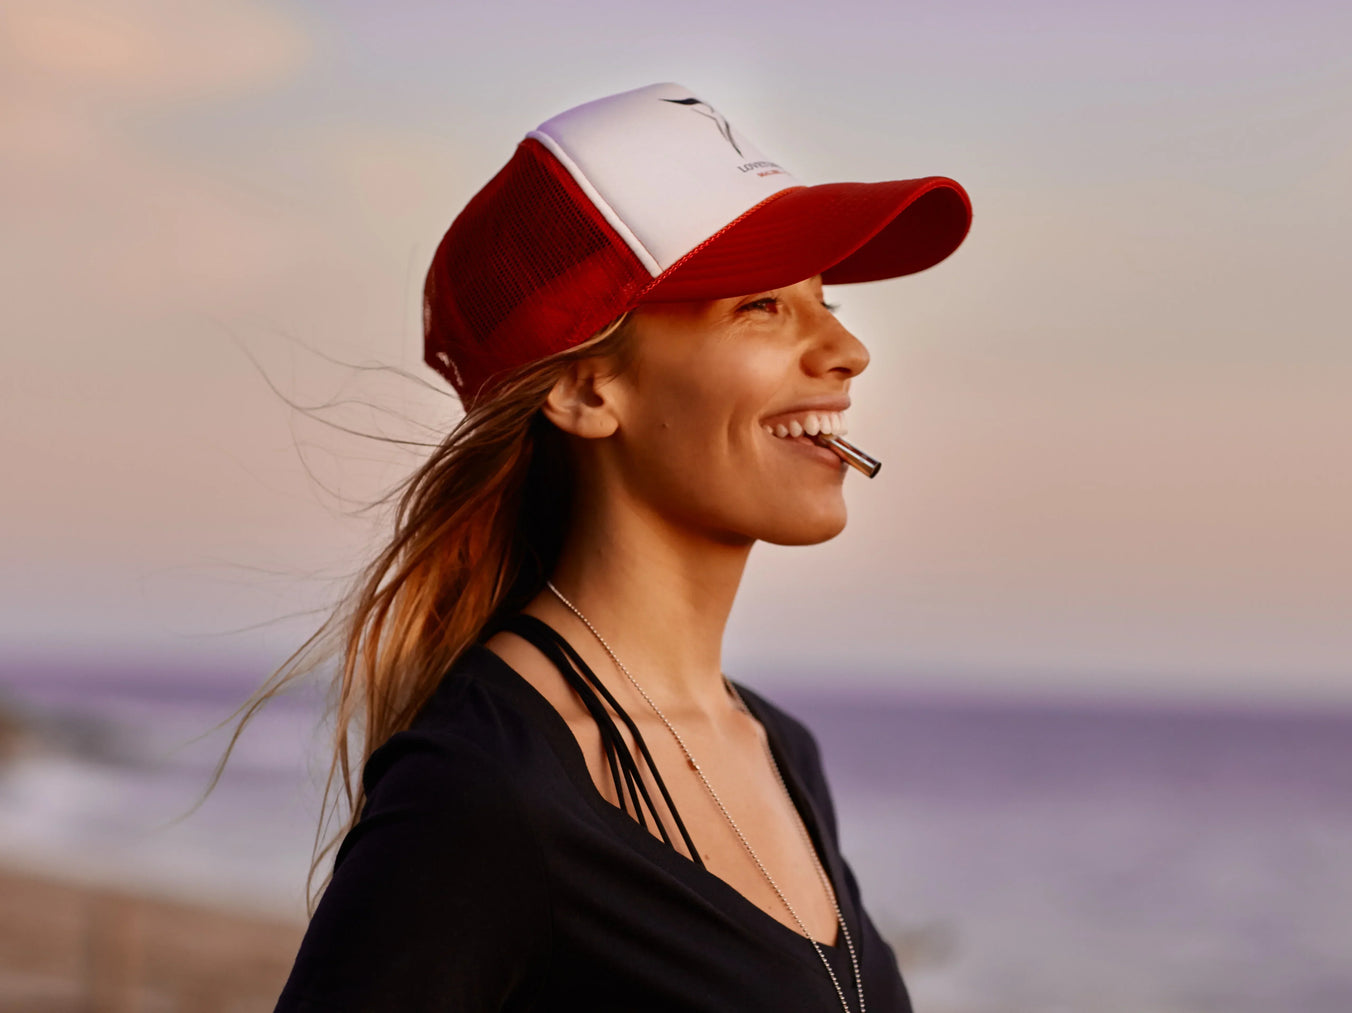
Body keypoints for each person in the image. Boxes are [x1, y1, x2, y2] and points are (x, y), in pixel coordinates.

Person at [267, 82, 972, 1012]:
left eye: (825, 298)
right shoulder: (488, 787)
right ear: (590, 390)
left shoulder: (776, 748)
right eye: (762, 304)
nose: (847, 349)